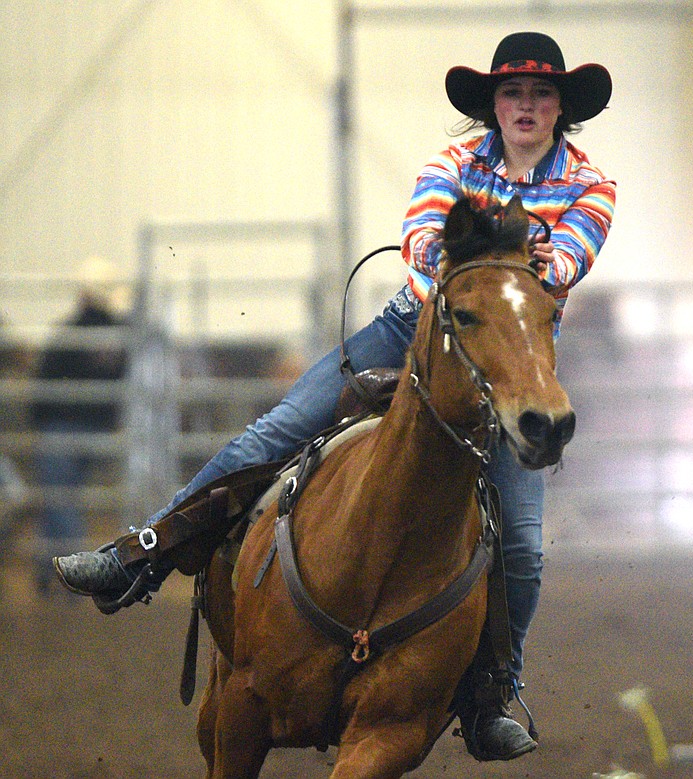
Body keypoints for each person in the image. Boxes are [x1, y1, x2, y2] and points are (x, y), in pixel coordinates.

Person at [53, 31, 615, 762]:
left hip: (510, 347)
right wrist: (475, 265)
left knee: (520, 545)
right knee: (276, 430)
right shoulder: (451, 163)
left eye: (541, 93)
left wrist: (500, 264)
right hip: (415, 325)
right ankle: (144, 550)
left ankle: (490, 693)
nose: (527, 105)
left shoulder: (592, 184)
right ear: (495, 104)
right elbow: (421, 244)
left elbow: (564, 261)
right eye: (513, 92)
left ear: (560, 106)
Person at [33, 256, 130, 594]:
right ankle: (53, 572)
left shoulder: (71, 332)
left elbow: (43, 383)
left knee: (59, 499)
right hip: (97, 426)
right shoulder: (121, 335)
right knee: (64, 500)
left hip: (62, 426)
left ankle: (65, 575)